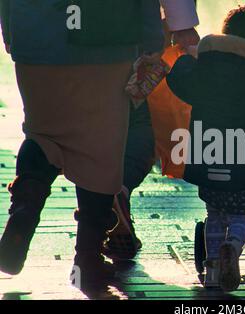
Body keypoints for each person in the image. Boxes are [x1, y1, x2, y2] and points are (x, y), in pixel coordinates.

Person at [0, 0, 165, 290]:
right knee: (101, 147)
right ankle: (87, 259)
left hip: (35, 38)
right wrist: (152, 38)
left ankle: (23, 213)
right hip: (107, 41)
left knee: (42, 134)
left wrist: (11, 30)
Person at [166, 5, 245, 291]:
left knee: (214, 214)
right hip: (240, 156)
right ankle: (232, 248)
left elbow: (179, 81)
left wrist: (186, 60)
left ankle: (211, 273)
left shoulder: (205, 66)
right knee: (241, 214)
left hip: (207, 154)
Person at [102, 0, 200, 261]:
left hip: (73, 35)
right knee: (141, 124)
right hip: (134, 31)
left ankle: (90, 234)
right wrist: (182, 23)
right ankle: (118, 192)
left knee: (94, 126)